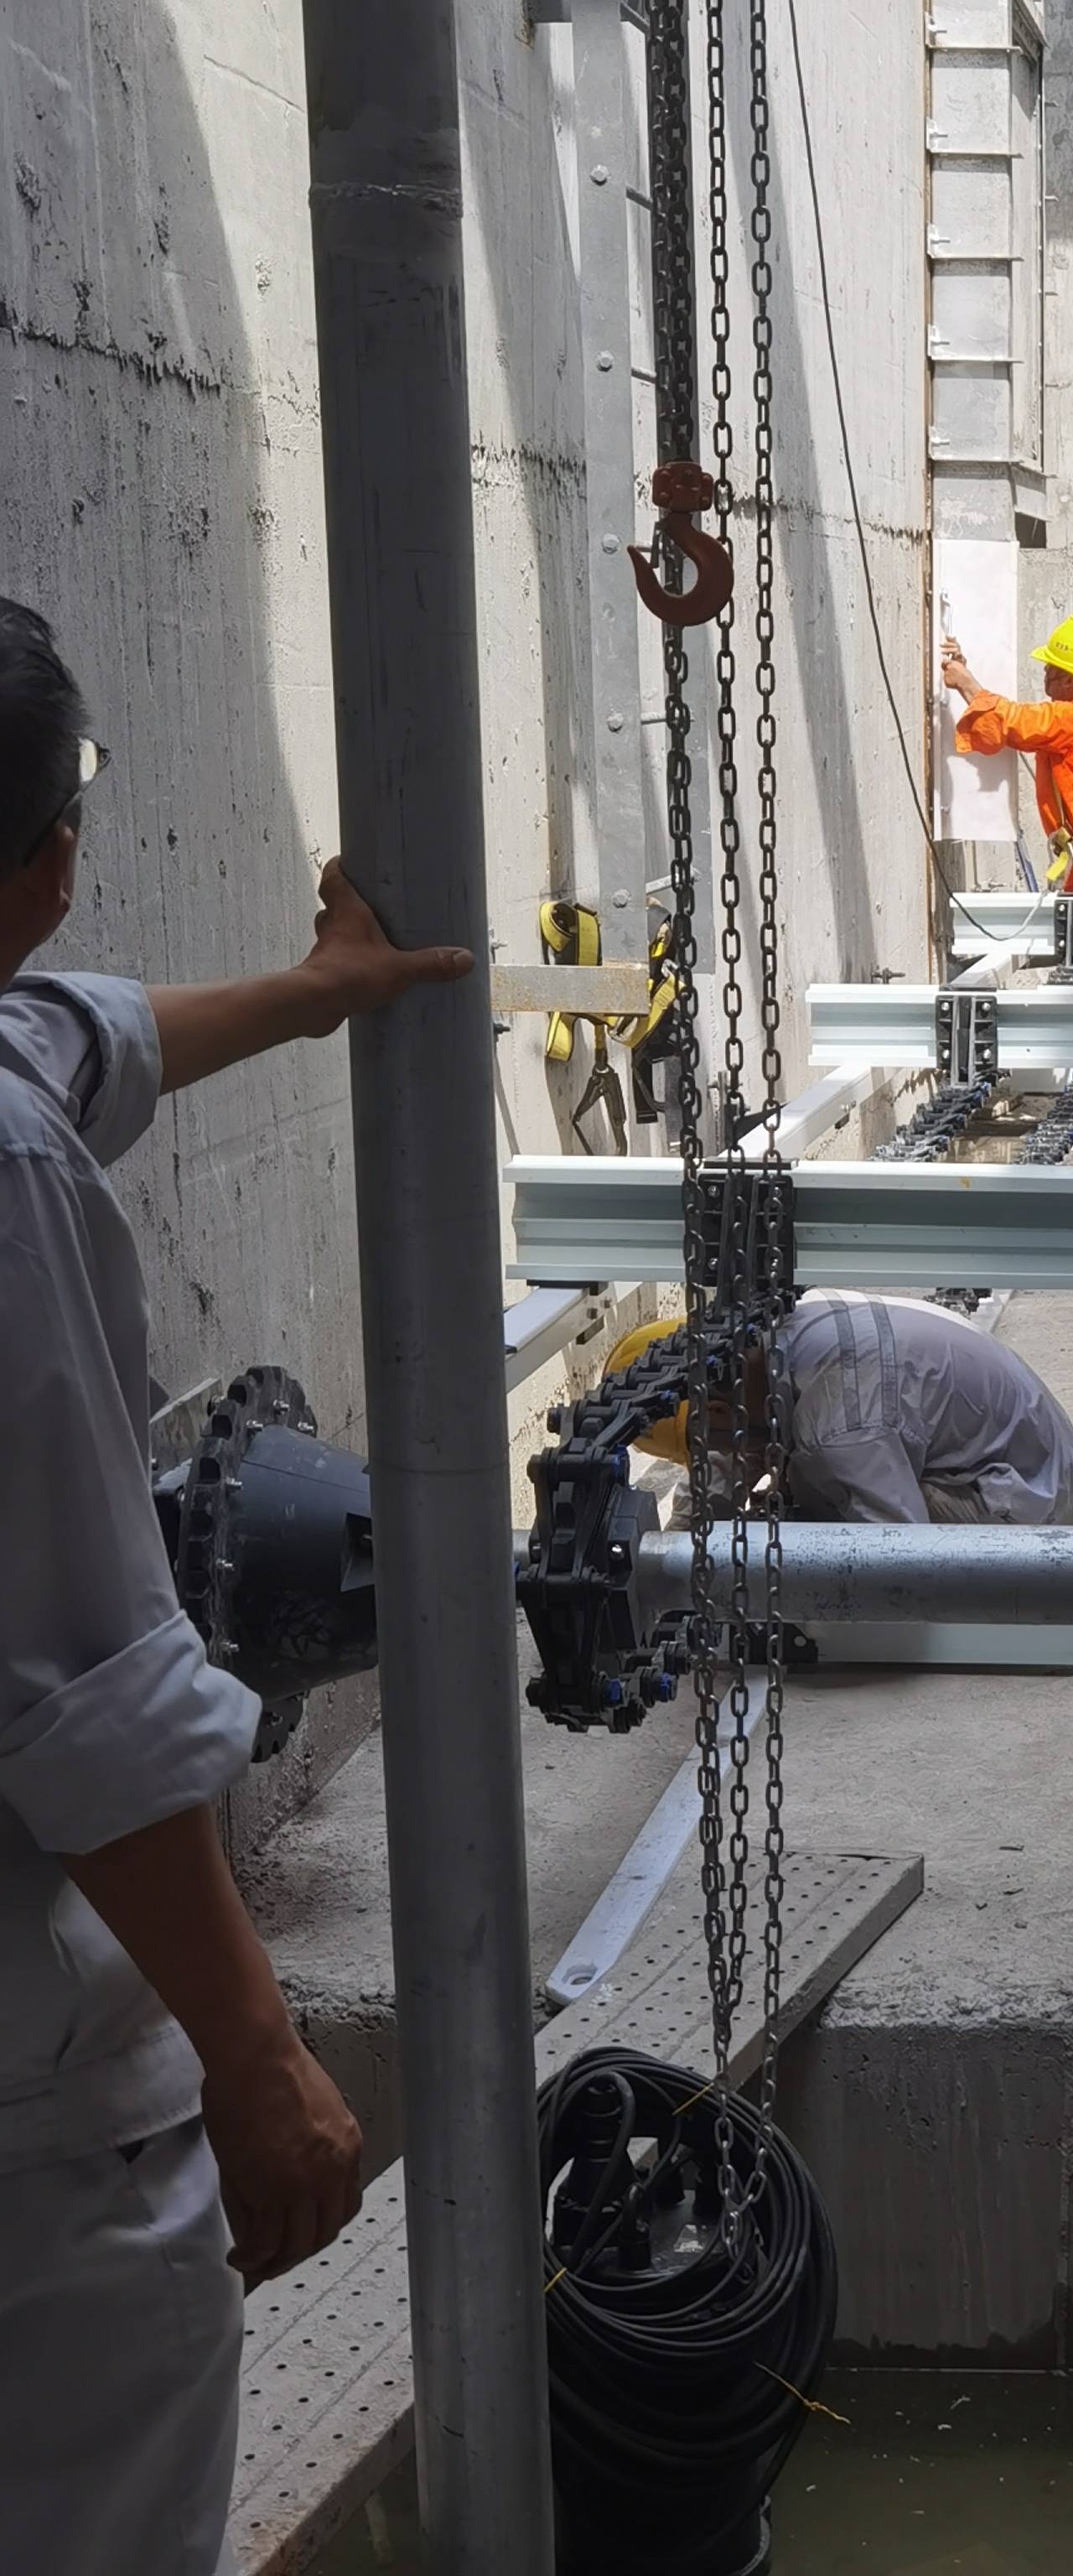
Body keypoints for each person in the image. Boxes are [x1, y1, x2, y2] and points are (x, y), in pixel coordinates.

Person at [0, 597, 474, 2572]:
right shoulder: (5, 1178)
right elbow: (86, 1695)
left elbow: (80, 1037)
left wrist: (312, 990)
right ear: (52, 855)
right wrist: (259, 2054)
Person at [942, 615, 1073, 1137]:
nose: (1045, 676)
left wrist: (965, 682)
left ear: (1071, 678)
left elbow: (1014, 723)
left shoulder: (1070, 718)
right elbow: (1016, 727)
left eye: (1052, 669)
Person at [609, 1291, 1073, 1528]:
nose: (722, 1455)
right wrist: (675, 1549)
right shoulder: (781, 1329)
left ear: (716, 1413)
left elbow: (896, 1553)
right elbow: (728, 1456)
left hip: (1032, 1504)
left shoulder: (840, 1421)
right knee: (787, 1462)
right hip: (1025, 1453)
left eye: (705, 1446)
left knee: (812, 1488)